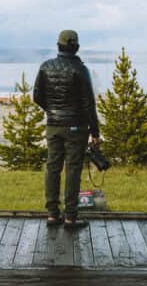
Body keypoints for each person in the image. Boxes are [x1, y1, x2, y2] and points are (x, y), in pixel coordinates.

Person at [32, 29, 100, 228]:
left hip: (53, 125)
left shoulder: (46, 67)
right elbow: (89, 104)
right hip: (76, 127)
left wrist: (52, 111)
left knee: (52, 167)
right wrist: (95, 132)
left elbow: (37, 96)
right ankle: (70, 216)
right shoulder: (80, 70)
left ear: (58, 46)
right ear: (76, 47)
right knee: (73, 170)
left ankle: (53, 214)